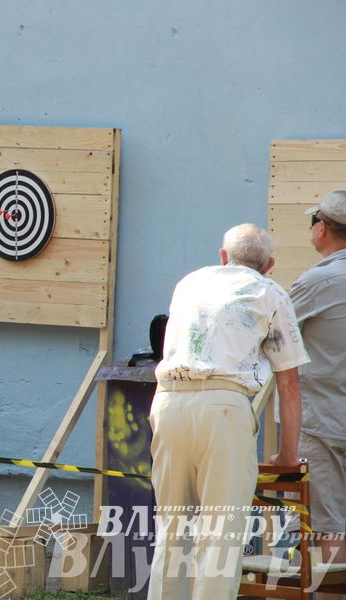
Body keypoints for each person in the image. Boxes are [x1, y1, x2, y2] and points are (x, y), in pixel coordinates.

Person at [148, 223, 310, 600]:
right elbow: (289, 384)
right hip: (223, 406)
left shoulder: (189, 283)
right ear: (269, 265)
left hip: (169, 401)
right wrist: (287, 455)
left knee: (172, 529)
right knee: (220, 536)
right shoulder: (270, 292)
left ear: (223, 256)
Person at [288, 189, 346, 592]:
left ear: (322, 228)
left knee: (327, 526)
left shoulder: (318, 281)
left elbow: (271, 334)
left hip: (324, 421)